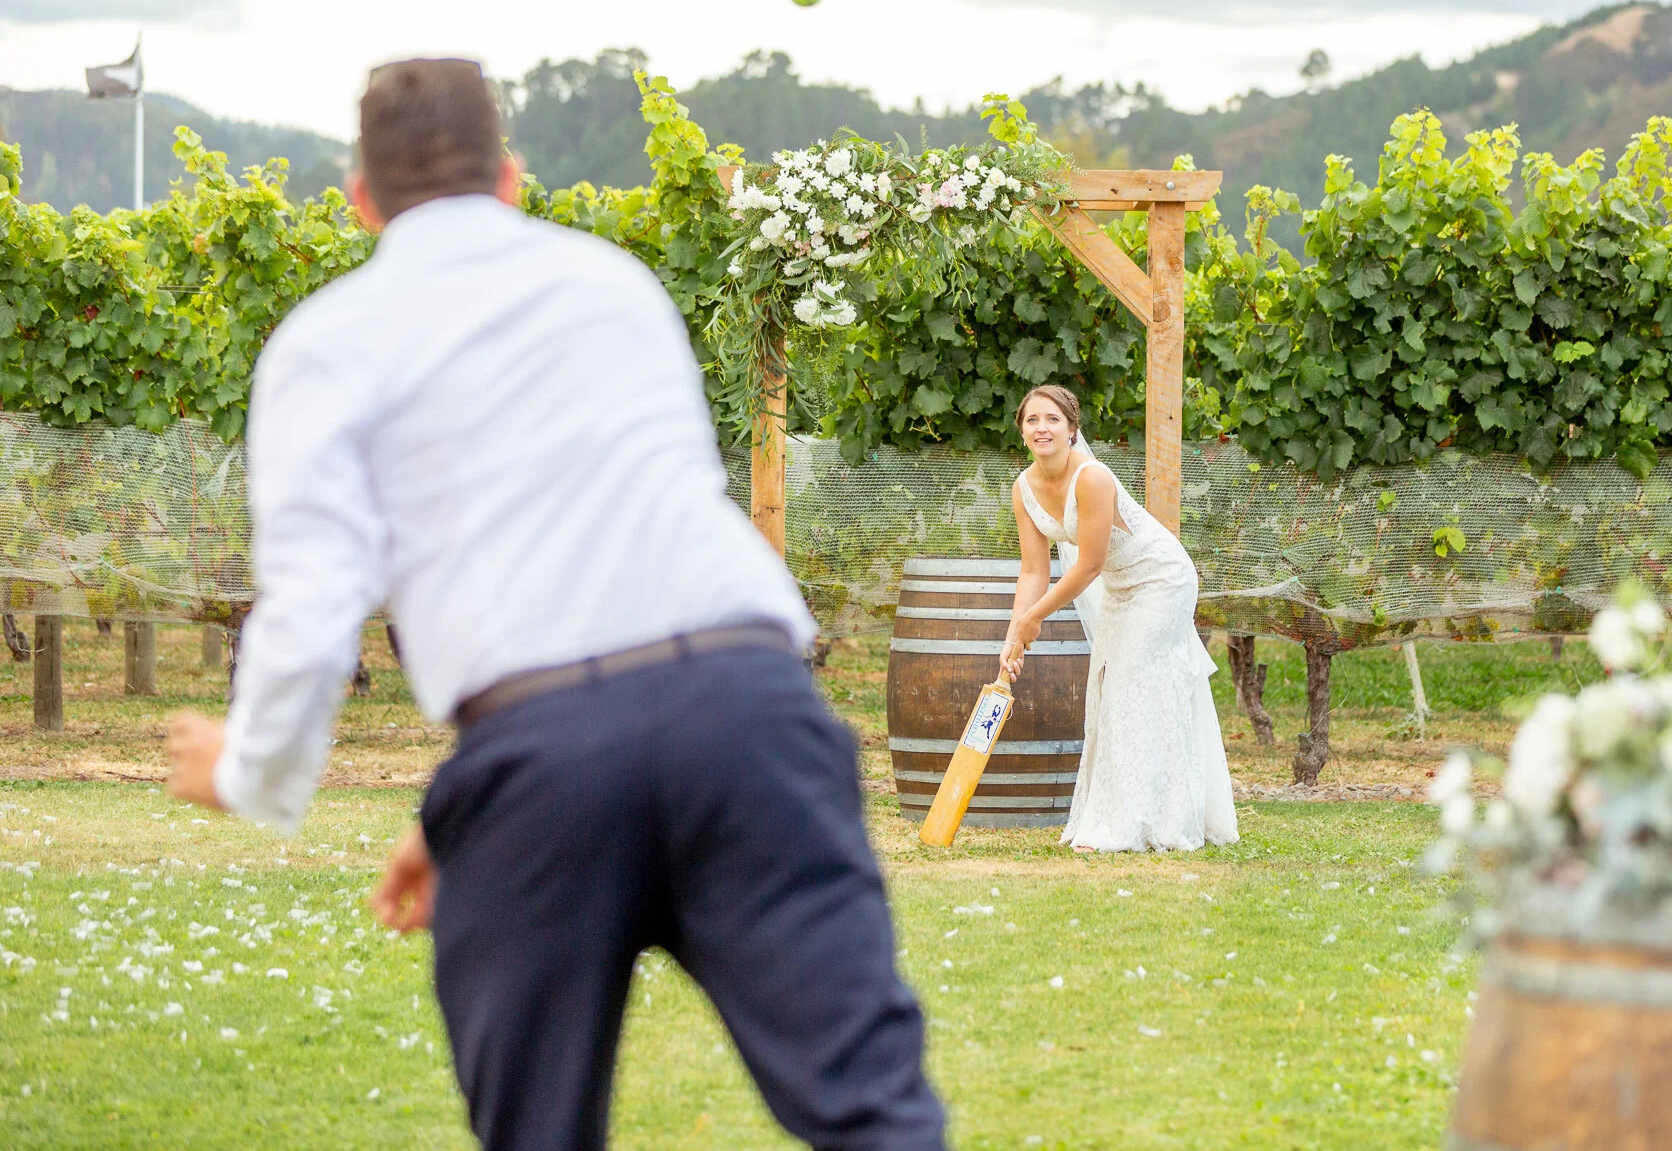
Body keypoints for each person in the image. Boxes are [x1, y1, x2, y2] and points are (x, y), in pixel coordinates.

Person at [162, 59, 946, 1151]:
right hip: (751, 716)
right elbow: (614, 545)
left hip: (538, 765)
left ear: (361, 202)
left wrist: (249, 770)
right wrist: (458, 818)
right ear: (514, 181)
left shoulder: (326, 344)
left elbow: (314, 599)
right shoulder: (613, 287)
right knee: (875, 1119)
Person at [999, 385, 1237, 853]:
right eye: (1032, 420)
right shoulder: (1023, 489)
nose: (1042, 428)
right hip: (1118, 588)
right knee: (1109, 691)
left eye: (1053, 419)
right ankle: (1121, 816)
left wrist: (1035, 620)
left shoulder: (1092, 477)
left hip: (1159, 578)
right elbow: (1033, 569)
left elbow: (1088, 565)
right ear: (1022, 430)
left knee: (1134, 684)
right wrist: (1014, 635)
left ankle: (1135, 826)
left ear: (1072, 429)